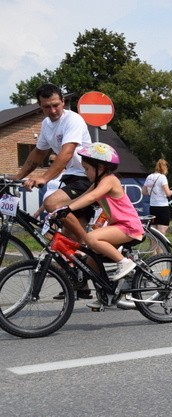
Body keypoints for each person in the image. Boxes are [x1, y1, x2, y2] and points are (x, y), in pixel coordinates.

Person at [12, 83, 93, 298]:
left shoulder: (72, 119)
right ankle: (81, 285)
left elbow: (66, 153)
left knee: (51, 204)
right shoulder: (47, 125)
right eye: (47, 107)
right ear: (40, 107)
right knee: (66, 238)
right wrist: (16, 178)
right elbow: (37, 155)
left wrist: (44, 178)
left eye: (56, 105)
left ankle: (91, 243)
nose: (53, 110)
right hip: (71, 178)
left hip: (87, 176)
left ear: (63, 102)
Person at [52, 143, 145, 309]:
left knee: (90, 237)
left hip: (128, 227)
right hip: (118, 226)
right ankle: (106, 294)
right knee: (90, 259)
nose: (85, 173)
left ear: (100, 167)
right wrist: (58, 210)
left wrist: (68, 209)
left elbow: (91, 197)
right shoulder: (97, 183)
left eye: (87, 169)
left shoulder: (110, 180)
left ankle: (124, 262)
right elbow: (79, 200)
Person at [143, 159, 172, 234]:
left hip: (153, 206)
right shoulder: (162, 177)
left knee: (154, 233)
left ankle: (153, 246)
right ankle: (161, 246)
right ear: (164, 167)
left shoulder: (149, 177)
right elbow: (168, 193)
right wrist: (171, 191)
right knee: (161, 232)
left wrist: (152, 193)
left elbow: (143, 191)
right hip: (162, 206)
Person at [33, 154, 63, 219]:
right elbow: (49, 199)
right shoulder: (50, 177)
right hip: (50, 212)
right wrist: (37, 213)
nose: (49, 164)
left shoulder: (65, 176)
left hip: (59, 214)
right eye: (49, 161)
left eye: (52, 161)